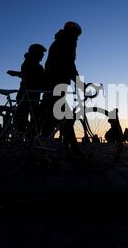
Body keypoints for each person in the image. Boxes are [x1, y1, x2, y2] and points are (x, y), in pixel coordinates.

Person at [42, 22, 83, 156]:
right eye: (76, 35)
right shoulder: (67, 42)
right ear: (71, 32)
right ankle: (74, 152)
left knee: (54, 117)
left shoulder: (59, 41)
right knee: (66, 117)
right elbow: (69, 64)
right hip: (57, 83)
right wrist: (78, 82)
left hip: (54, 82)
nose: (77, 38)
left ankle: (42, 148)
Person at [7, 44, 47, 131]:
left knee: (24, 118)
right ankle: (26, 139)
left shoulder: (28, 62)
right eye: (41, 53)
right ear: (35, 53)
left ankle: (24, 139)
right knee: (31, 118)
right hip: (30, 94)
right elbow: (35, 78)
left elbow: (27, 75)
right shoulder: (34, 65)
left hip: (27, 93)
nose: (42, 56)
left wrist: (16, 73)